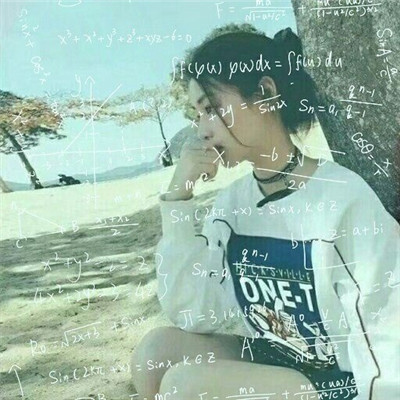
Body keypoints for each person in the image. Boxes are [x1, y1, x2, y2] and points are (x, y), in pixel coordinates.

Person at [131, 27, 400, 400]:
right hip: (275, 363)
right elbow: (193, 313)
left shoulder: (342, 198)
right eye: (197, 114)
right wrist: (178, 199)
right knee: (155, 354)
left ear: (266, 93)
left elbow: (386, 327)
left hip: (341, 382)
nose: (203, 130)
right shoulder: (233, 204)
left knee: (185, 385)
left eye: (210, 109)